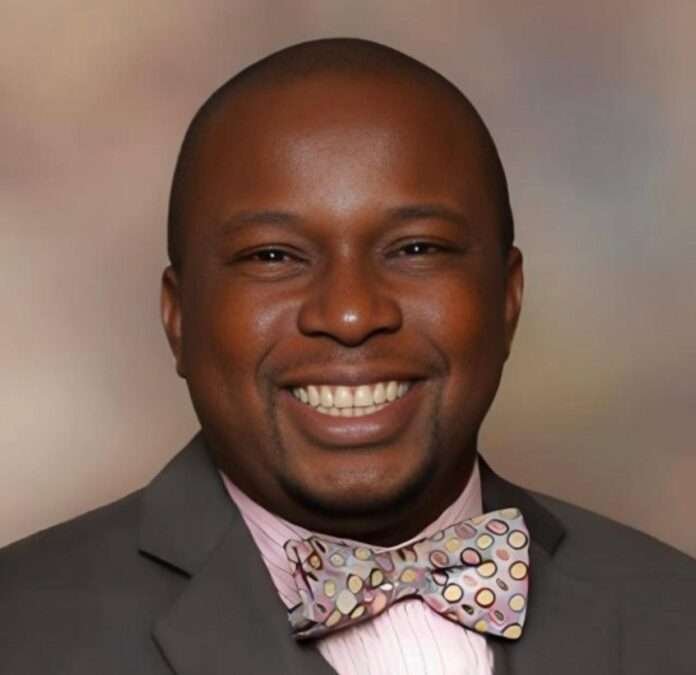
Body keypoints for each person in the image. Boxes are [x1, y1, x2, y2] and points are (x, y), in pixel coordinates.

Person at [1, 38, 694, 675]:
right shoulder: (21, 630)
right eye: (273, 256)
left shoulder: (675, 610)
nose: (352, 314)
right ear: (178, 319)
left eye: (416, 248)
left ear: (507, 299)